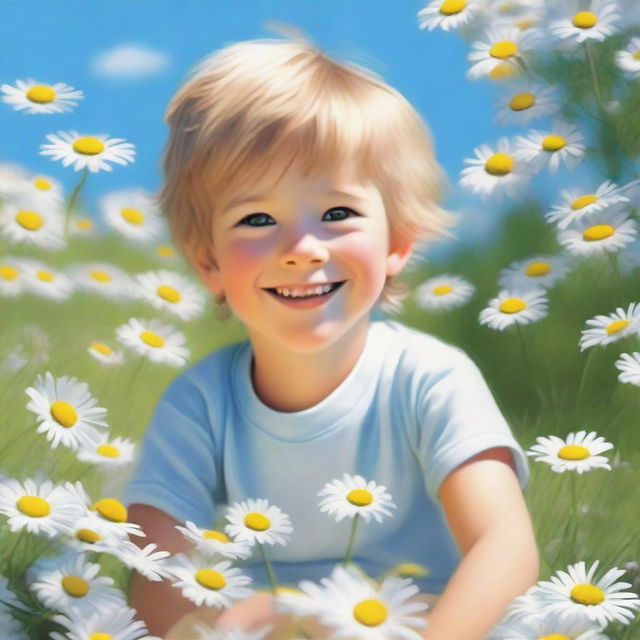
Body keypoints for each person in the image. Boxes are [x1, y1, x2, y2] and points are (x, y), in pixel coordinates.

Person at [122, 22, 539, 639]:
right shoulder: (201, 403)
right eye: (257, 217)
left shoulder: (430, 379)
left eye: (337, 213)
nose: (303, 248)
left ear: (397, 239)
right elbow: (154, 576)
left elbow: (505, 550)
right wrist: (234, 625)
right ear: (207, 260)